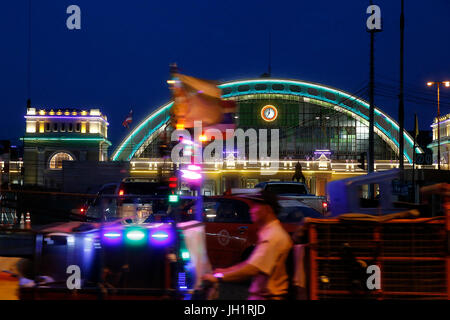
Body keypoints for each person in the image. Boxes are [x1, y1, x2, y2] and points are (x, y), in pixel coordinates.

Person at [202, 190, 293, 300]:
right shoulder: (269, 232)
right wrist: (225, 271)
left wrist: (219, 278)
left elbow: (252, 269)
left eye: (256, 206)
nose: (251, 210)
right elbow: (251, 263)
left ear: (267, 209)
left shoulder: (273, 236)